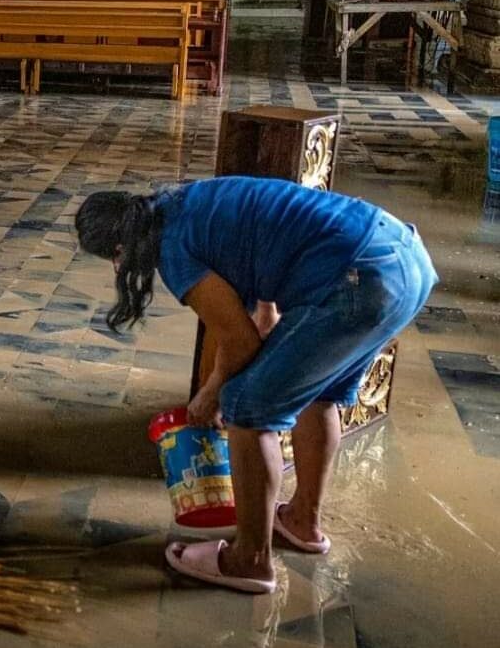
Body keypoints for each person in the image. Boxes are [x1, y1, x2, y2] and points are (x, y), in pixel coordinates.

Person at [75, 177, 437, 594]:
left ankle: (249, 559)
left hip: (357, 280)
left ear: (120, 250)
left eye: (115, 260)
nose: (120, 269)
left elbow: (241, 339)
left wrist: (210, 396)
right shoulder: (189, 202)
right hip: (404, 260)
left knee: (246, 410)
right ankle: (302, 520)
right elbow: (259, 320)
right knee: (316, 395)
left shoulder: (173, 247)